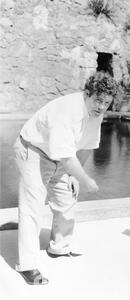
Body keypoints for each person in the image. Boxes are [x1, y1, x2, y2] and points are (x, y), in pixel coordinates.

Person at [13, 71, 118, 285]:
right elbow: (67, 158)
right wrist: (86, 179)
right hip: (33, 150)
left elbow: (87, 145)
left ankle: (59, 248)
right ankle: (27, 265)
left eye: (107, 103)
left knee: (67, 198)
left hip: (60, 155)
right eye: (98, 100)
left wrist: (75, 177)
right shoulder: (67, 110)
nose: (101, 106)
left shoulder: (96, 114)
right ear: (87, 93)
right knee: (32, 206)